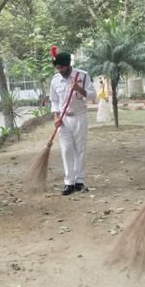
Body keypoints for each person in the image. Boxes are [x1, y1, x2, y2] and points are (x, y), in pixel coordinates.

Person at [50, 51, 96, 195]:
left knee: (80, 150)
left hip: (80, 117)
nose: (60, 70)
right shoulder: (55, 80)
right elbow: (54, 100)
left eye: (62, 67)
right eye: (57, 68)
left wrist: (80, 89)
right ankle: (69, 182)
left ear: (68, 65)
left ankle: (79, 181)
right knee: (66, 150)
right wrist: (56, 117)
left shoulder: (82, 76)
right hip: (63, 120)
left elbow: (93, 95)